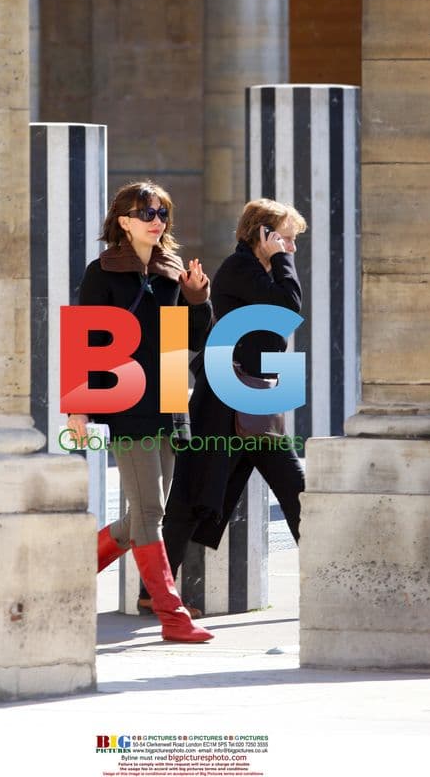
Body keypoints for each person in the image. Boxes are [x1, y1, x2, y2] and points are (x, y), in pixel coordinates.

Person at [142, 197, 307, 611]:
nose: (292, 249)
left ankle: (325, 578)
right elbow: (289, 309)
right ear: (263, 236)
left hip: (253, 397)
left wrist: (280, 262)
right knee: (192, 493)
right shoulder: (241, 268)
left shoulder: (261, 272)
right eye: (286, 239)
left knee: (296, 489)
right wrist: (282, 263)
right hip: (224, 399)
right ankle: (154, 592)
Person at [67, 180, 213, 643]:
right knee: (149, 510)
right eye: (146, 213)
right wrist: (78, 409)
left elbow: (191, 342)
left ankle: (63, 575)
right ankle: (173, 617)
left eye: (162, 214)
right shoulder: (102, 271)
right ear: (124, 221)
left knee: (147, 514)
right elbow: (85, 340)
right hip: (127, 402)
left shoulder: (172, 271)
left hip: (170, 397)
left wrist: (197, 299)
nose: (156, 221)